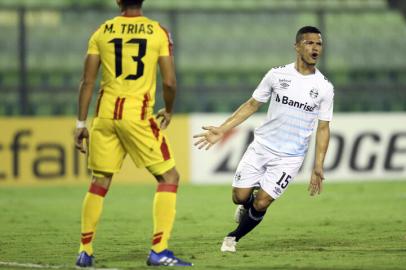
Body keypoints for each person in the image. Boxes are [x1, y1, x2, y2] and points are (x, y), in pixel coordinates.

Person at [194, 26, 334, 252]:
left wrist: (318, 164)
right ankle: (246, 207)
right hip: (262, 146)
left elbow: (324, 127)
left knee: (262, 202)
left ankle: (233, 238)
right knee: (240, 198)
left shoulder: (325, 88)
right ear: (297, 46)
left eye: (319, 43)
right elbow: (252, 105)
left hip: (290, 157)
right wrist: (222, 129)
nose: (315, 47)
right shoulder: (277, 75)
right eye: (309, 43)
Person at [74, 0, 192, 267]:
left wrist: (81, 124)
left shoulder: (102, 31)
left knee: (100, 180)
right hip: (137, 116)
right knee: (169, 175)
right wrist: (170, 109)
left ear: (117, 1)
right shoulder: (157, 31)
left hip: (104, 116)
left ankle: (85, 250)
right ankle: (159, 249)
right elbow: (170, 82)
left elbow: (87, 81)